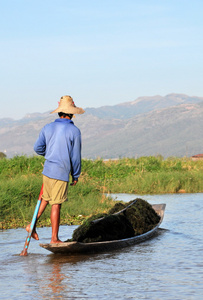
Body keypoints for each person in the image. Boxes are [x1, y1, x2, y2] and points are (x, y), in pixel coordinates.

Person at [26, 95, 85, 244]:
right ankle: (54, 238)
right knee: (56, 204)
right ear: (72, 113)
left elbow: (37, 148)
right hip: (60, 172)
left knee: (45, 199)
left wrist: (50, 154)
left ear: (59, 112)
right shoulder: (74, 131)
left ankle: (31, 226)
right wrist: (76, 175)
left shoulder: (48, 127)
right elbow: (75, 156)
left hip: (47, 171)